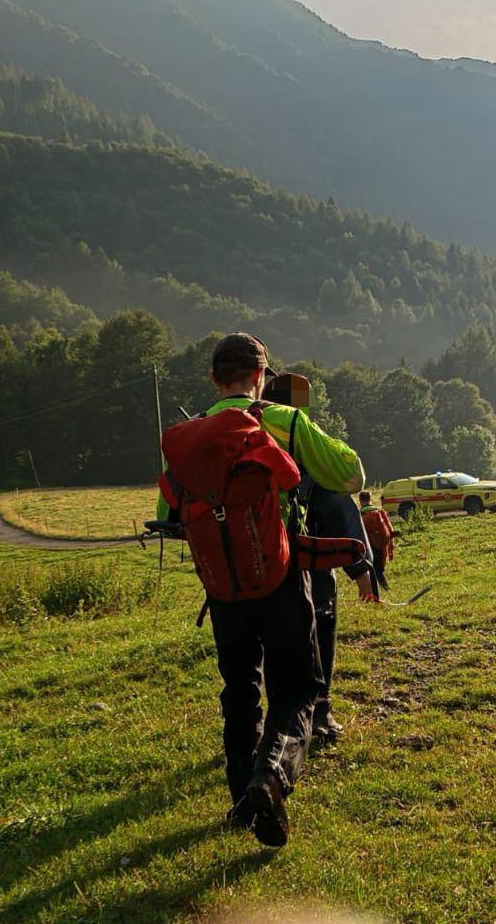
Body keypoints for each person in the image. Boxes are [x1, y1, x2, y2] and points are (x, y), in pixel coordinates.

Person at [158, 333, 371, 848]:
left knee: (239, 692)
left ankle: (243, 802)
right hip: (280, 577)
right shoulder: (282, 421)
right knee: (296, 689)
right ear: (262, 376)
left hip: (223, 588)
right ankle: (270, 780)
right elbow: (351, 475)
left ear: (212, 380)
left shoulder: (190, 438)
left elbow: (171, 515)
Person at [263, 371, 377, 743]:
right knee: (317, 630)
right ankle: (318, 715)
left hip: (249, 559)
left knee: (269, 643)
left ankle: (266, 726)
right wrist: (361, 568)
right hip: (304, 557)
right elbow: (337, 497)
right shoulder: (299, 432)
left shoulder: (235, 429)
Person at [359, 490, 396, 592]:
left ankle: (381, 592)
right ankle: (384, 590)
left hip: (369, 546)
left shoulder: (361, 515)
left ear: (360, 500)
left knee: (373, 571)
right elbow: (389, 528)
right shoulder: (379, 512)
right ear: (370, 499)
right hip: (381, 544)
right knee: (378, 570)